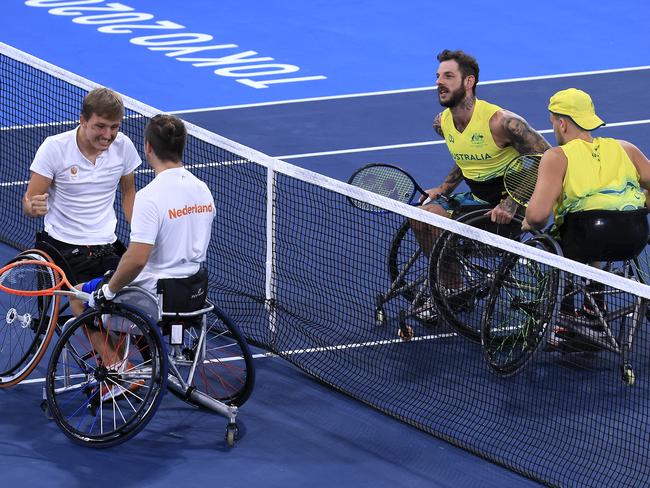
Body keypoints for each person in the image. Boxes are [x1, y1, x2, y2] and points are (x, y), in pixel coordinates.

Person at [71, 114, 215, 370]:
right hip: (193, 293)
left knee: (78, 294)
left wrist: (108, 291)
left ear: (147, 146)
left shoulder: (149, 198)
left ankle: (117, 370)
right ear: (182, 146)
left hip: (153, 297)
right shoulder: (202, 189)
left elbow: (137, 260)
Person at [523, 88, 650, 350]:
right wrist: (640, 207)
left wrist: (529, 224)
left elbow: (537, 215)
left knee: (557, 240)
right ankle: (595, 311)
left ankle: (566, 317)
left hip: (586, 237)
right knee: (588, 232)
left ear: (561, 122)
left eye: (552, 122)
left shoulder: (557, 157)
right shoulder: (625, 148)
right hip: (636, 235)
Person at [412, 49, 551, 256]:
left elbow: (549, 159)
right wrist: (443, 189)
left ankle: (452, 284)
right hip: (477, 201)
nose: (439, 82)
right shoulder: (442, 123)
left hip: (509, 209)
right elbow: (468, 155)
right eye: (438, 76)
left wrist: (511, 203)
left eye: (448, 76)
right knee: (418, 218)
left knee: (432, 217)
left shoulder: (502, 123)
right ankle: (451, 287)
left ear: (469, 82)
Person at [23, 87, 141, 284]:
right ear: (83, 120)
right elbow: (29, 201)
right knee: (88, 299)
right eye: (100, 126)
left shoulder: (124, 146)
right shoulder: (54, 148)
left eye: (114, 127)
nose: (107, 135)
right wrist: (32, 207)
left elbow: (129, 193)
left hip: (106, 245)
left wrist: (141, 230)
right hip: (62, 246)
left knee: (134, 291)